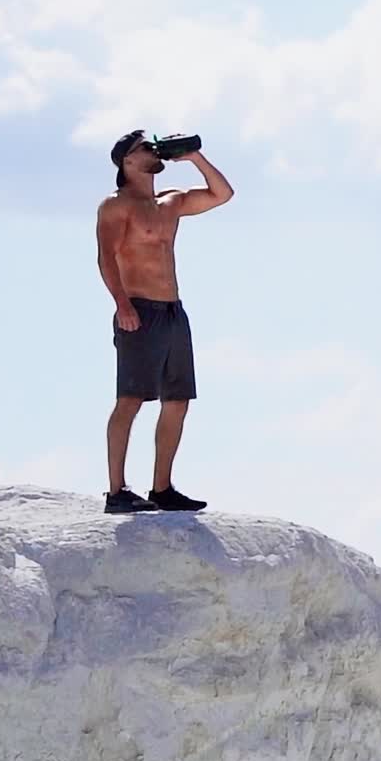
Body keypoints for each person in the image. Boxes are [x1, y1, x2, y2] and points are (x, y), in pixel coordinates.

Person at [96, 130, 234, 513]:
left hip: (173, 311)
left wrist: (193, 157)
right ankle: (117, 491)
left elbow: (222, 194)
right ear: (127, 161)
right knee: (130, 399)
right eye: (144, 149)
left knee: (177, 401)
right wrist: (122, 305)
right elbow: (106, 257)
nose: (153, 152)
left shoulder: (169, 201)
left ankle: (161, 488)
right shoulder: (116, 206)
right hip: (139, 308)